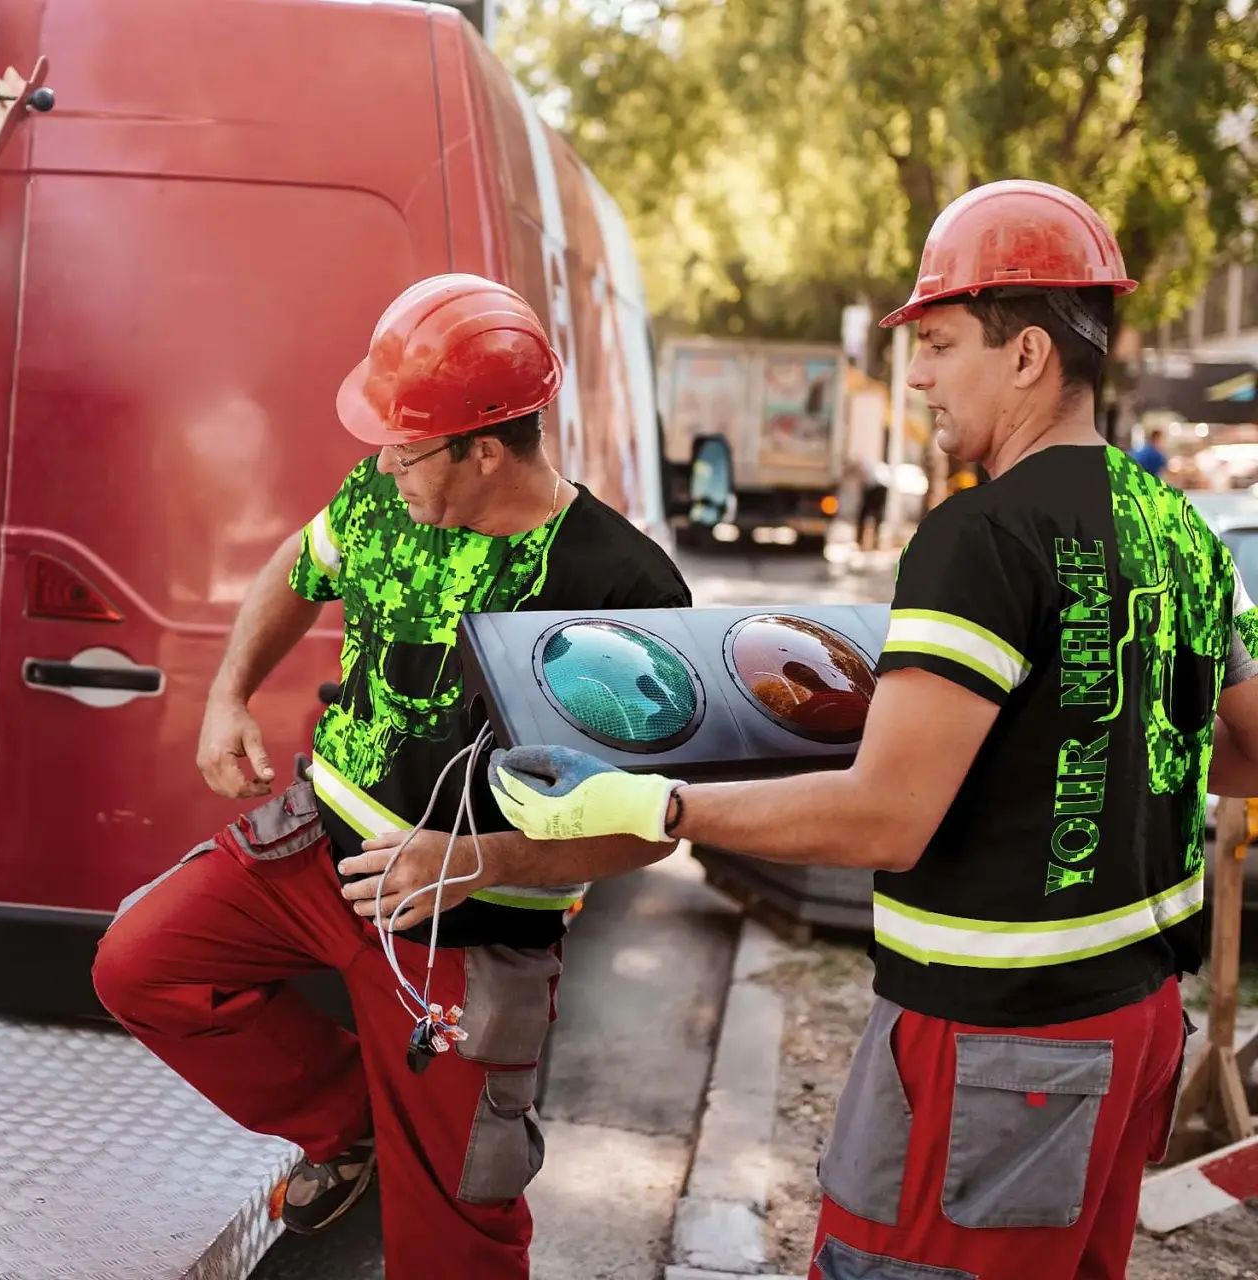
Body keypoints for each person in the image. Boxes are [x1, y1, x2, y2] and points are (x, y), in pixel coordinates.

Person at [359, 183, 1258, 1280]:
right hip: (1137, 1025)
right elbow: (1246, 749)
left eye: (938, 345)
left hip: (992, 1046)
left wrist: (651, 802)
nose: (916, 377)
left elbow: (882, 817)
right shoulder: (1177, 528)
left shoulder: (978, 537)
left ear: (1027, 353)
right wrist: (1076, 753)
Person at [91, 273, 691, 1279]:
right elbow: (300, 563)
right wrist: (229, 692)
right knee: (140, 965)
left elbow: (653, 825)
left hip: (471, 921)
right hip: (313, 851)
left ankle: (417, 1140)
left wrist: (477, 858)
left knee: (455, 1234)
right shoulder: (384, 497)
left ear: (485, 449)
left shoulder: (624, 589)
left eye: (406, 447)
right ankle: (360, 1121)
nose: (382, 464)